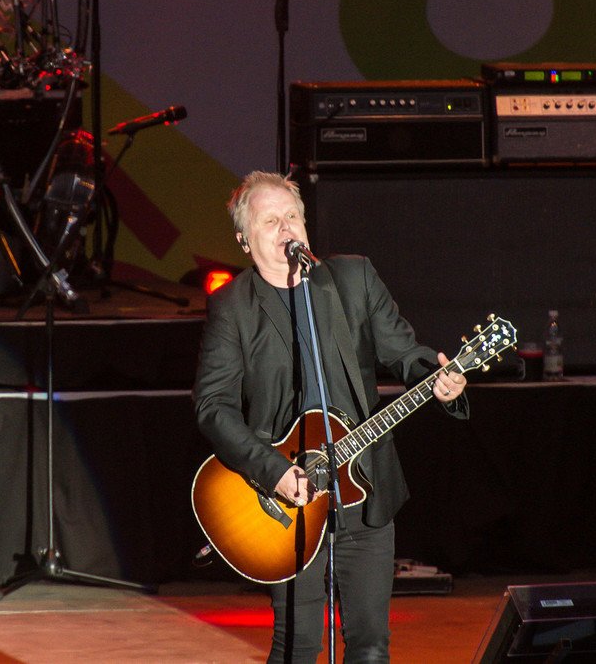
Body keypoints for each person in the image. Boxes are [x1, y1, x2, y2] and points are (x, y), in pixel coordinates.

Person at [193, 171, 469, 663]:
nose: (286, 229)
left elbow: (405, 353)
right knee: (298, 646)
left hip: (363, 486)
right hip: (286, 500)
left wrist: (438, 378)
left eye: (292, 217)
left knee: (370, 646)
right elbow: (213, 407)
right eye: (270, 221)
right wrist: (274, 471)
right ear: (244, 240)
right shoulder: (233, 306)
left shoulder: (353, 279)